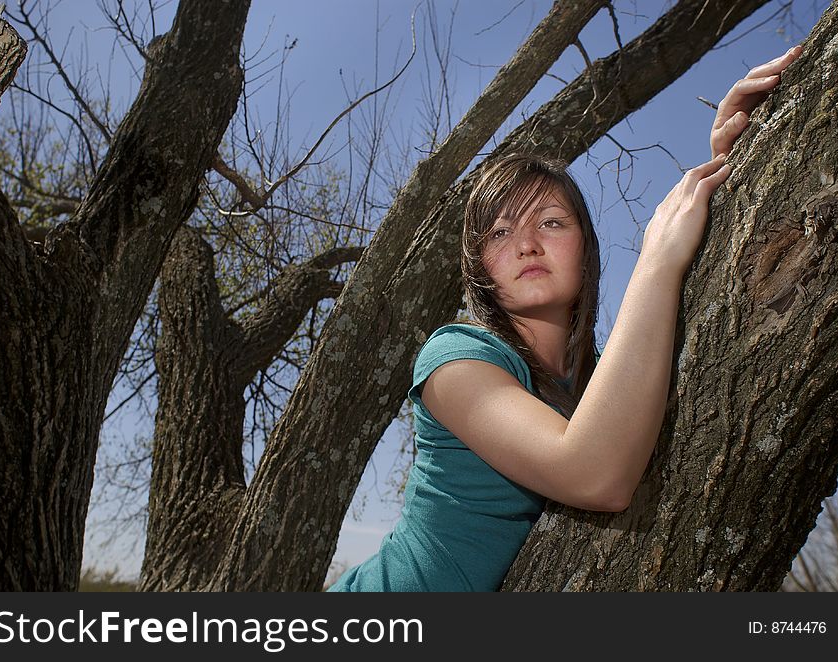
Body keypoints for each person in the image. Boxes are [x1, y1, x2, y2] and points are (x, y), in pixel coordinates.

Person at [327, 45, 802, 592]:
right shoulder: (454, 358)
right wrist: (653, 258)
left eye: (551, 222)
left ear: (586, 248)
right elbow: (593, 474)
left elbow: (703, 315)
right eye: (501, 233)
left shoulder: (597, 384)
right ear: (480, 266)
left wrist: (741, 155)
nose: (527, 244)